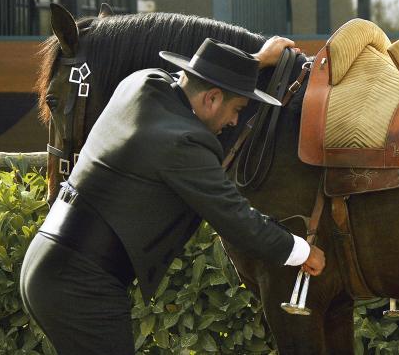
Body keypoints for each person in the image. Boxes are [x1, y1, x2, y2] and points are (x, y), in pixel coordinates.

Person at [19, 36, 325, 355]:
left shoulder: (143, 83)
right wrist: (301, 251)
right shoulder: (185, 143)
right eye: (237, 109)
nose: (235, 121)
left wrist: (258, 60)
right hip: (80, 284)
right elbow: (238, 220)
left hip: (48, 265)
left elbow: (202, 77)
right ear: (212, 99)